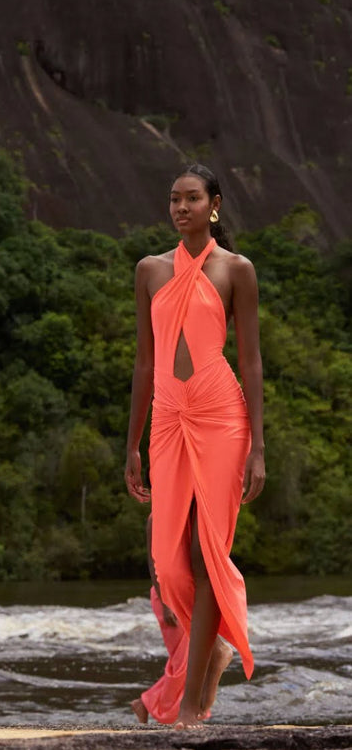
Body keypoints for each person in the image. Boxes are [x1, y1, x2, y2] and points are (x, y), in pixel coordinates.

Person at [124, 164, 265, 729]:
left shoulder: (237, 270)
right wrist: (131, 445)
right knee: (168, 564)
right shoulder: (150, 270)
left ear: (215, 205)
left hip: (221, 417)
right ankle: (214, 652)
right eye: (174, 200)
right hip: (166, 418)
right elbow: (142, 360)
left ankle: (186, 709)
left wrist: (258, 446)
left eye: (192, 199)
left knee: (209, 554)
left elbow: (251, 360)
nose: (181, 207)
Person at [130, 515, 233, 725]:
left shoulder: (189, 512)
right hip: (166, 596)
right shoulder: (155, 518)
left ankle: (150, 703)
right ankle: (161, 706)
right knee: (182, 663)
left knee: (188, 658)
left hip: (189, 593)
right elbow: (154, 563)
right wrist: (166, 603)